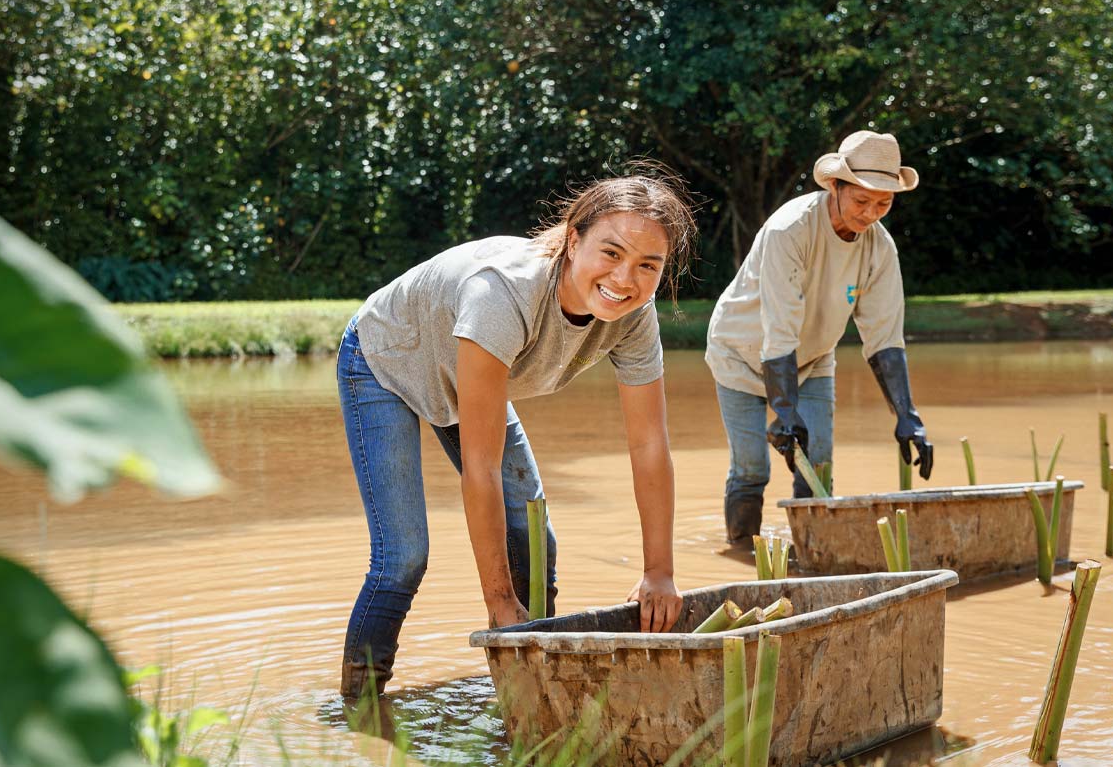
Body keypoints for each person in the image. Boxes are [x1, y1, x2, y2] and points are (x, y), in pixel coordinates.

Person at [336, 167, 696, 698]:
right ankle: (361, 706)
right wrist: (498, 600)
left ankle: (532, 678)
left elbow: (648, 446)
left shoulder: (633, 316)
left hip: (468, 373)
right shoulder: (503, 295)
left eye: (648, 265)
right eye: (611, 253)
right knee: (402, 557)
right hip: (386, 360)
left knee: (533, 537)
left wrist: (659, 572)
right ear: (573, 240)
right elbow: (480, 468)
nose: (625, 279)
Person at [705, 130, 935, 546]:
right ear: (835, 186)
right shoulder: (790, 231)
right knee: (753, 468)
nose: (870, 214)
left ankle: (809, 555)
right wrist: (784, 407)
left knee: (818, 465)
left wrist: (907, 416)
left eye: (883, 203)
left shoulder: (879, 249)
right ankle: (743, 551)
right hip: (740, 354)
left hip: (812, 359)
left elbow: (884, 336)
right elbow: (779, 328)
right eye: (861, 201)